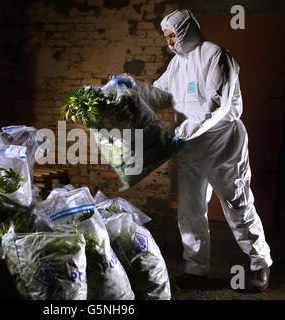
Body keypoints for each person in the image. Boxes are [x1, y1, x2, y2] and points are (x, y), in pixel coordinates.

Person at [113, 9, 273, 292]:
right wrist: (131, 87)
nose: (170, 42)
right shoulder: (178, 63)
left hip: (223, 145)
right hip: (190, 148)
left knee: (237, 205)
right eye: (166, 37)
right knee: (190, 210)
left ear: (187, 30)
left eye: (173, 35)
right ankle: (195, 270)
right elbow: (159, 94)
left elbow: (215, 105)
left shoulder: (216, 56)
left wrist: (181, 134)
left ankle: (261, 263)